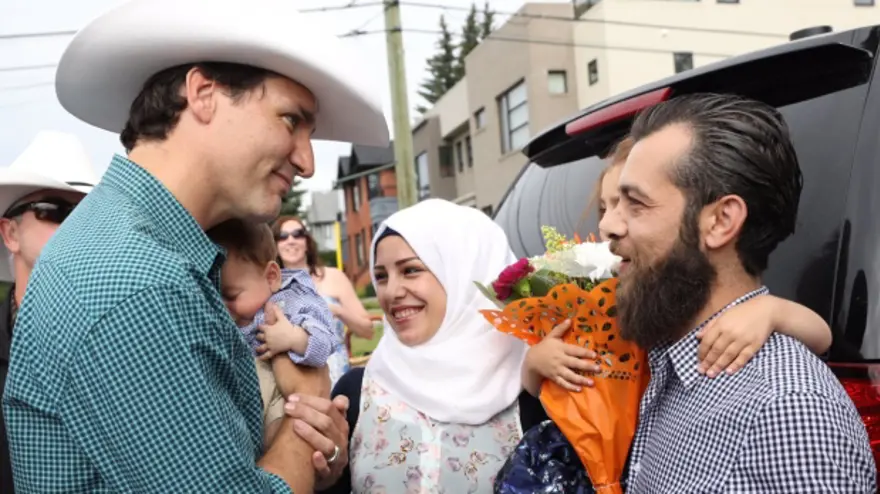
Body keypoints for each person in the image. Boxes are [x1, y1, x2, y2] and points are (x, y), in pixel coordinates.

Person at [3, 0, 387, 492]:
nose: (307, 161)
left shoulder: (140, 254)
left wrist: (314, 450)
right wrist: (302, 416)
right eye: (291, 120)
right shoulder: (136, 283)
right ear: (203, 94)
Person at [600, 93, 875, 491]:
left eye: (636, 203)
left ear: (721, 221)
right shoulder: (665, 360)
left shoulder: (789, 413)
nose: (609, 225)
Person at [320, 199, 554, 493]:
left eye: (410, 270)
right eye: (381, 276)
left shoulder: (530, 393)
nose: (391, 292)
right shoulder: (356, 393)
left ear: (463, 273)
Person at [0, 131, 98, 493]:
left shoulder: (121, 334)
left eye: (89, 211)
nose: (75, 225)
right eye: (54, 211)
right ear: (10, 234)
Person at [207, 219, 336, 445]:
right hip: (246, 398)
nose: (223, 307)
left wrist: (292, 337)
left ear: (271, 277)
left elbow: (325, 343)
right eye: (217, 297)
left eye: (231, 296)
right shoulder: (234, 315)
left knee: (284, 420)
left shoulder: (293, 300)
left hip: (285, 396)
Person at [272, 216, 373, 386]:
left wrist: (337, 311)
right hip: (292, 380)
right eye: (283, 236)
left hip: (336, 376)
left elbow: (367, 331)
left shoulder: (334, 277)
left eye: (298, 234)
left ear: (307, 242)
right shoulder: (270, 286)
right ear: (275, 245)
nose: (291, 241)